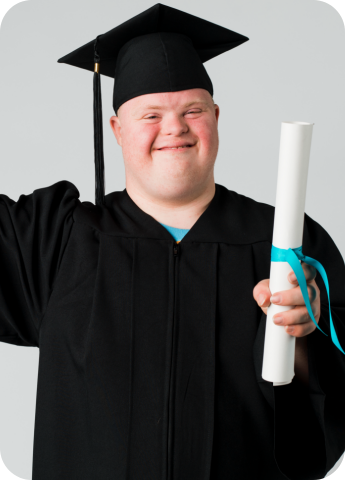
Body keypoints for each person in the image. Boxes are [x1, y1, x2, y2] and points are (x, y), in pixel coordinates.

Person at [1, 4, 344, 480]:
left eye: (193, 110)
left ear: (216, 119)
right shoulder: (56, 240)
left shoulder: (286, 242)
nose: (175, 128)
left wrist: (307, 337)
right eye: (151, 114)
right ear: (117, 130)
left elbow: (314, 441)